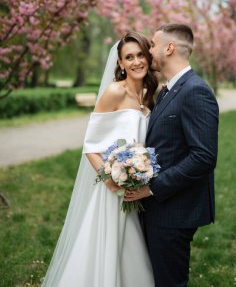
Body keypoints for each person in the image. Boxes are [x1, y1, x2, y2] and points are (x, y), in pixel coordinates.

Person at [41, 32, 158, 287]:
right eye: (129, 57)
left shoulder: (149, 94)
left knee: (131, 246)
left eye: (140, 55)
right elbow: (91, 145)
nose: (136, 61)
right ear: (120, 63)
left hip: (135, 188)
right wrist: (110, 179)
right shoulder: (114, 92)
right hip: (111, 190)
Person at [124, 23, 219, 287]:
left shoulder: (195, 91)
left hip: (175, 211)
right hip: (160, 209)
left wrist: (151, 188)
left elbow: (204, 156)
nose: (148, 50)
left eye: (152, 45)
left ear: (169, 47)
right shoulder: (168, 90)